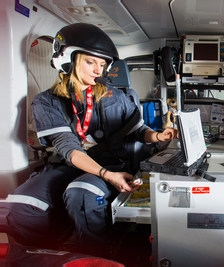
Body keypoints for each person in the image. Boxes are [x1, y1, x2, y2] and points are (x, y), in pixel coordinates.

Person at [0, 23, 177, 255]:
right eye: (90, 62)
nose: (98, 70)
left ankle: (95, 254)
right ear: (68, 60)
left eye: (102, 64)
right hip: (69, 164)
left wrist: (157, 135)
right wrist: (106, 176)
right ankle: (48, 252)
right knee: (19, 207)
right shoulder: (47, 101)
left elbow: (138, 130)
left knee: (82, 193)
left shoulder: (117, 96)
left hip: (111, 163)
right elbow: (68, 147)